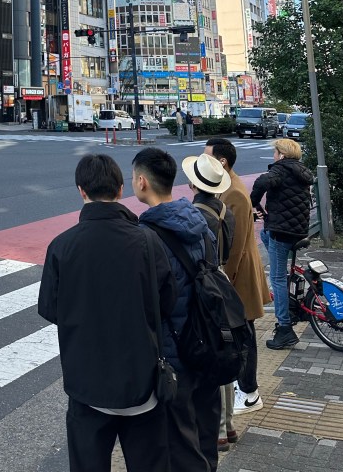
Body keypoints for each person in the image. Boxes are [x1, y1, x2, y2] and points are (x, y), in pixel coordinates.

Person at [39, 153, 176, 472]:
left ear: (81, 191)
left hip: (87, 386)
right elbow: (168, 302)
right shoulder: (148, 241)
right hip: (143, 384)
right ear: (120, 189)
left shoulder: (62, 246)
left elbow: (51, 309)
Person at [133, 147, 216, 472]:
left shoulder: (145, 237)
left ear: (142, 182)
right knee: (205, 436)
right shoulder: (200, 224)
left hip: (174, 354)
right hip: (209, 345)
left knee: (180, 446)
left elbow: (148, 302)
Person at [204, 137, 269, 418]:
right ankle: (245, 386)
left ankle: (250, 392)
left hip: (239, 275)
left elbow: (237, 245)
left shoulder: (235, 193)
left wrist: (223, 282)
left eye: (207, 156)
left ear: (222, 161)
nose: (202, 161)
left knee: (244, 335)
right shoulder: (226, 186)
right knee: (242, 333)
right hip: (236, 275)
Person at [183, 152, 236, 463]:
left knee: (210, 355)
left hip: (205, 286)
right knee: (224, 351)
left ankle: (218, 430)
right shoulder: (226, 211)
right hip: (222, 279)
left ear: (193, 184)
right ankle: (228, 424)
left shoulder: (196, 215)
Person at [251, 137, 314, 349]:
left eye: (275, 152)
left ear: (282, 155)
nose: (274, 156)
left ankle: (284, 328)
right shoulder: (301, 171)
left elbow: (261, 182)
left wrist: (253, 202)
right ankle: (290, 301)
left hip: (282, 232)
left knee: (277, 279)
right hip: (298, 230)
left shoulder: (280, 169)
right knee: (264, 235)